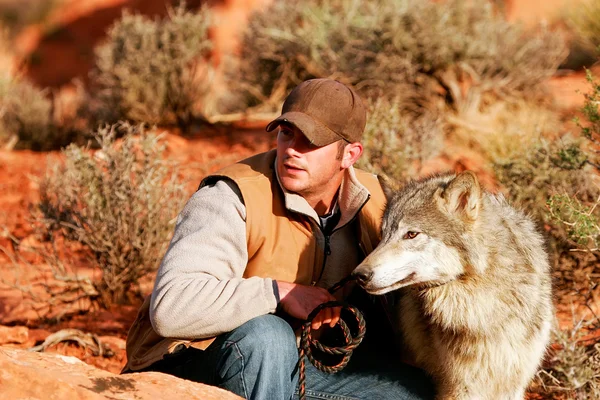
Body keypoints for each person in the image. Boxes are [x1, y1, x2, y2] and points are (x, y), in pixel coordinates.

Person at [122, 78, 434, 399]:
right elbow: (170, 308)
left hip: (294, 366)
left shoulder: (377, 203)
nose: (292, 151)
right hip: (187, 364)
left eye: (311, 142)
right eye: (287, 133)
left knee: (411, 391)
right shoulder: (231, 196)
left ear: (349, 154)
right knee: (267, 336)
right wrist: (279, 293)